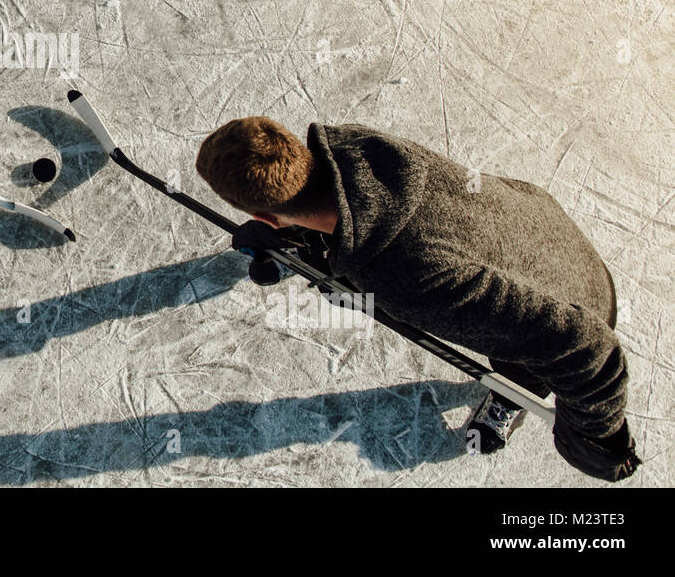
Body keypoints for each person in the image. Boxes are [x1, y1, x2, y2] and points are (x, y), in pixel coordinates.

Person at [195, 116, 641, 481]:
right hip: (541, 228)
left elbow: (586, 349)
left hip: (579, 303)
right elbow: (352, 216)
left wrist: (598, 441)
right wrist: (296, 236)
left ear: (261, 216)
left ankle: (518, 391)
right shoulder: (357, 150)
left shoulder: (408, 278)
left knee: (518, 353)